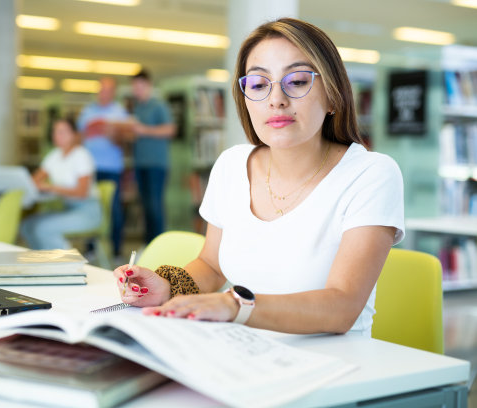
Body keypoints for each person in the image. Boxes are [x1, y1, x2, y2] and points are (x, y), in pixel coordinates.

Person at [113, 18, 405, 337]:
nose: (275, 99)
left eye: (296, 81)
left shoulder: (371, 174)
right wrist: (167, 287)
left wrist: (237, 306)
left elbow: (342, 307)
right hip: (243, 354)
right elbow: (211, 266)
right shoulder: (231, 164)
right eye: (258, 84)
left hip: (335, 368)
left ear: (333, 95)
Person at [20, 117, 101, 250]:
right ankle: (44, 262)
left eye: (63, 132)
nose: (58, 135)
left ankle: (65, 264)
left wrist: (52, 187)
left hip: (87, 213)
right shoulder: (54, 156)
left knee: (42, 229)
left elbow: (82, 192)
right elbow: (34, 180)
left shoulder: (82, 155)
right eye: (55, 132)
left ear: (74, 135)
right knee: (27, 226)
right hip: (68, 210)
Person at [77, 77, 129, 258]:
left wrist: (113, 134)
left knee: (114, 209)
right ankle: (90, 248)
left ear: (113, 92)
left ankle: (116, 250)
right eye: (101, 89)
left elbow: (126, 141)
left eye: (108, 90)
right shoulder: (87, 111)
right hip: (89, 168)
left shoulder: (120, 112)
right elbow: (79, 136)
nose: (104, 93)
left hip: (112, 168)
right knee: (90, 206)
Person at [130, 69, 176, 244]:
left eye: (140, 86)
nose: (137, 91)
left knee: (155, 206)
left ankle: (158, 245)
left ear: (148, 85)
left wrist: (144, 130)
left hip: (156, 164)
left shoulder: (158, 106)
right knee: (145, 207)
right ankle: (148, 244)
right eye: (134, 87)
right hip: (140, 163)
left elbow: (170, 130)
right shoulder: (136, 107)